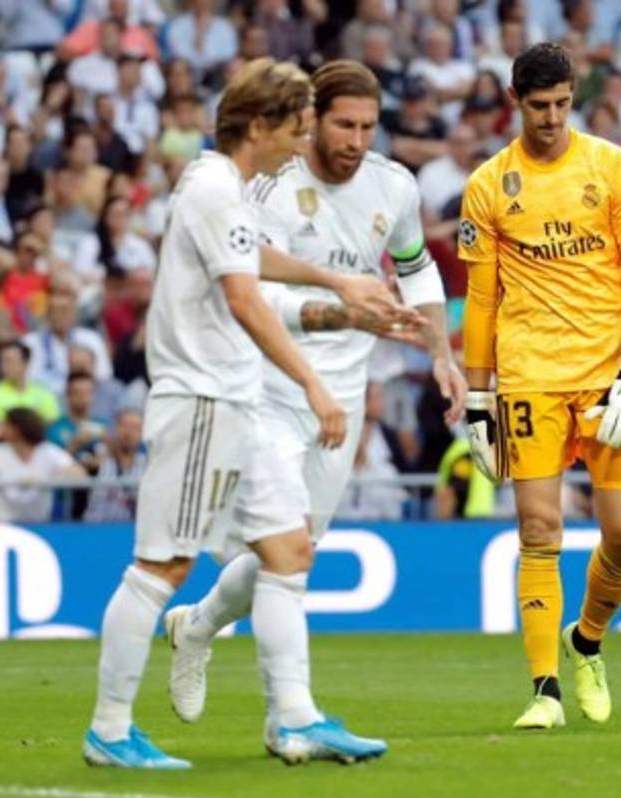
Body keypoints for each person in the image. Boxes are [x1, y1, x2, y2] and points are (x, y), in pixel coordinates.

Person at [83, 58, 408, 770]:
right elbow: (244, 298)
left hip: (237, 400)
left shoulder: (221, 186)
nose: (301, 146)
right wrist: (315, 387)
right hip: (201, 401)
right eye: (295, 130)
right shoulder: (214, 189)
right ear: (259, 125)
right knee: (160, 567)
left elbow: (255, 257)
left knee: (290, 552)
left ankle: (295, 720)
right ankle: (109, 729)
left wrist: (336, 277)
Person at [158, 61, 461, 756]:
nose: (355, 140)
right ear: (311, 120)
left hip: (343, 396)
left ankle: (199, 625)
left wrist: (441, 354)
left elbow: (415, 267)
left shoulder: (395, 186)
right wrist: (345, 312)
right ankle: (290, 720)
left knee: (294, 554)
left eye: (367, 126)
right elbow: (256, 298)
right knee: (287, 551)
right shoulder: (268, 187)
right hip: (266, 386)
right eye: (342, 125)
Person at [458, 44, 621, 730]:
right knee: (539, 529)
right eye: (538, 106)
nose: (550, 118)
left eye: (562, 104)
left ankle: (588, 640)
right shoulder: (489, 185)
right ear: (516, 101)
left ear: (574, 99)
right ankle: (544, 690)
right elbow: (481, 301)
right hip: (530, 375)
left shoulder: (612, 167)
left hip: (608, 373)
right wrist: (478, 398)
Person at [0, 407, 85, 522]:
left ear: (17, 429)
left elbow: (80, 475)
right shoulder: (1, 452)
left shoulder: (48, 452)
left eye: (6, 424)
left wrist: (48, 479)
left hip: (39, 525)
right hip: (4, 525)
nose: (1, 427)